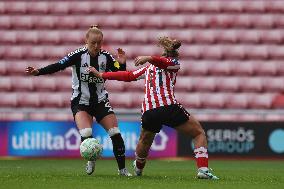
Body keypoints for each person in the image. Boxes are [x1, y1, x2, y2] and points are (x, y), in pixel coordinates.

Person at [86, 36, 219, 179]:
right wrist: (102, 74)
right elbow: (129, 75)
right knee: (198, 133)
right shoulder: (174, 63)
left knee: (145, 140)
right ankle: (203, 170)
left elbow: (129, 75)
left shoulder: (152, 67)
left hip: (149, 110)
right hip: (168, 107)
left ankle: (138, 167)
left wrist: (102, 74)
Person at [25, 25, 132, 176]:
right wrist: (38, 72)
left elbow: (119, 72)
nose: (96, 46)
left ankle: (122, 170)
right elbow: (58, 65)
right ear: (86, 41)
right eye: (93, 43)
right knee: (87, 132)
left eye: (99, 43)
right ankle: (91, 158)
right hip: (81, 102)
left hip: (100, 100)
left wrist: (122, 63)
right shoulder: (77, 55)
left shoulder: (106, 56)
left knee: (115, 132)